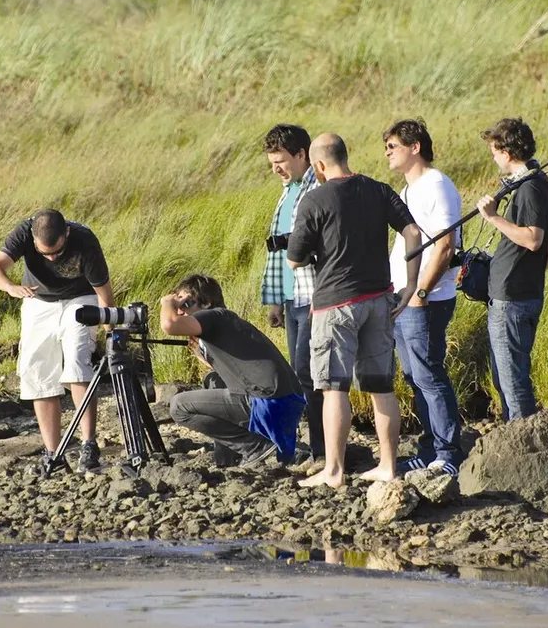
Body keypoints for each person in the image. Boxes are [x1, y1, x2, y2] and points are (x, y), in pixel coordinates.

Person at [287, 133, 424, 489]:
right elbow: (412, 232)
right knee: (381, 386)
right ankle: (388, 465)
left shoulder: (314, 199)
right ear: (345, 155)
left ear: (318, 164)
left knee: (334, 388)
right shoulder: (378, 190)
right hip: (379, 299)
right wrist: (410, 285)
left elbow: (294, 259)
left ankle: (334, 470)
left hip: (335, 304)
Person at [0, 209, 115, 473]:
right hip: (38, 301)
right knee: (38, 372)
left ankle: (89, 445)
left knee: (78, 360)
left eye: (57, 251)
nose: (52, 258)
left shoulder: (84, 239)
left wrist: (108, 329)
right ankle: (53, 454)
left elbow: (104, 292)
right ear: (33, 239)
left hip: (80, 298)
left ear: (66, 233)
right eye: (45, 253)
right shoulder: (24, 231)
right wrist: (11, 287)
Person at [384, 119, 465, 477]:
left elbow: (446, 245)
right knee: (414, 375)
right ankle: (429, 447)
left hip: (426, 300)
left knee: (429, 374)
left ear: (415, 146)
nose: (387, 151)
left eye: (393, 145)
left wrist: (420, 292)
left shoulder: (437, 185)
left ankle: (447, 453)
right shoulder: (406, 191)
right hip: (402, 298)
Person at [159, 274, 306, 468]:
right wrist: (207, 358)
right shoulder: (226, 322)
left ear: (207, 303)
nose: (180, 310)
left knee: (179, 406)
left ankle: (256, 448)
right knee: (213, 380)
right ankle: (227, 460)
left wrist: (167, 302)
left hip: (268, 401)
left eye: (185, 303)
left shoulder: (213, 316)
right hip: (287, 401)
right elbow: (239, 368)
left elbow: (169, 325)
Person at [475, 118, 548, 421]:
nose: (493, 157)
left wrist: (493, 217)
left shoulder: (531, 187)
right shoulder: (538, 183)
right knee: (507, 378)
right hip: (520, 293)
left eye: (494, 152)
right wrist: (533, 275)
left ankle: (523, 446)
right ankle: (520, 440)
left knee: (513, 382)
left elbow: (536, 239)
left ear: (506, 152)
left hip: (513, 299)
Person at [261, 123, 325, 464]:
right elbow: (277, 248)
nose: (276, 169)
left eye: (281, 161)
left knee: (309, 373)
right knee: (299, 374)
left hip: (315, 293)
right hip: (292, 296)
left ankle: (322, 449)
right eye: (272, 162)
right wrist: (275, 299)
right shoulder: (288, 191)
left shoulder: (317, 188)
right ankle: (314, 447)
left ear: (302, 154)